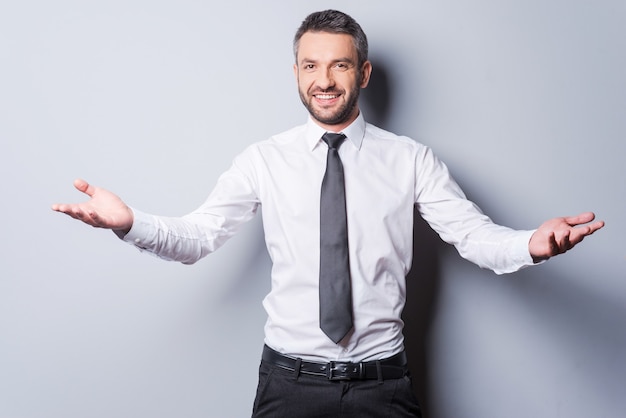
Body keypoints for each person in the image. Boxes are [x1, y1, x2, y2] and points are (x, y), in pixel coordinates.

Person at [52, 9, 604, 418]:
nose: (324, 80)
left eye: (340, 65)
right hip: (288, 385)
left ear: (362, 74)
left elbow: (472, 236)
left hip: (383, 386)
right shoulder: (263, 160)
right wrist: (129, 223)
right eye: (311, 65)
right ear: (295, 71)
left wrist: (533, 242)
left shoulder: (410, 159)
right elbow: (198, 236)